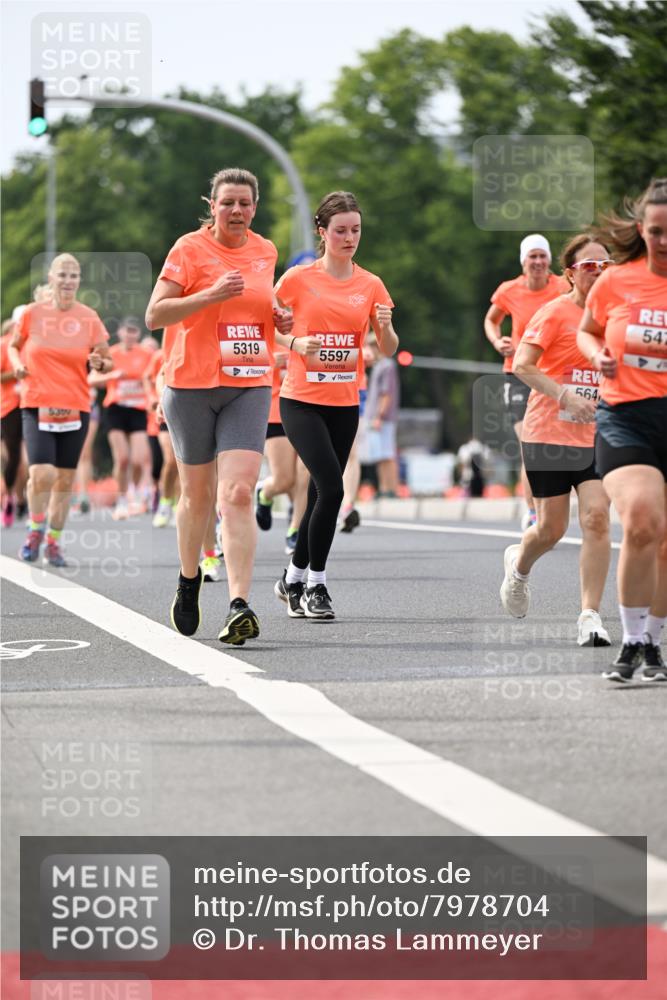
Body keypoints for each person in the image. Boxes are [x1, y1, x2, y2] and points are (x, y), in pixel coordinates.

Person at [145, 167, 293, 644]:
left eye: (245, 203)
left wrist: (279, 317)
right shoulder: (188, 249)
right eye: (227, 202)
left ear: (255, 207)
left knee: (237, 494)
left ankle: (239, 604)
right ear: (212, 205)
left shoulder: (266, 251)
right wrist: (208, 294)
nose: (236, 211)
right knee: (198, 497)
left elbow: (259, 309)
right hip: (189, 385)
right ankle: (189, 582)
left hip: (248, 382)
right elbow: (155, 315)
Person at [273, 190, 398, 620]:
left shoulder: (370, 284)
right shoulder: (296, 279)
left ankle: (290, 577)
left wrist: (383, 329)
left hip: (345, 401)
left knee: (318, 494)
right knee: (334, 488)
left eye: (356, 230)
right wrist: (294, 342)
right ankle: (315, 586)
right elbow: (262, 324)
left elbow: (388, 346)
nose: (350, 238)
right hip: (300, 400)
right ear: (322, 232)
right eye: (341, 231)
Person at [500, 234, 614, 646]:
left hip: (600, 436)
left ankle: (590, 616)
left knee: (598, 519)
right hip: (548, 433)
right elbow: (524, 365)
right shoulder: (554, 313)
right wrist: (565, 395)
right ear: (569, 274)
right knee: (550, 529)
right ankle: (519, 567)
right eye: (588, 267)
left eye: (605, 266)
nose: (598, 273)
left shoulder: (616, 316)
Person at [577, 178, 667, 682]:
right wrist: (599, 356)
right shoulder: (617, 281)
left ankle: (653, 640)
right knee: (640, 519)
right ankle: (632, 639)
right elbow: (587, 330)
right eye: (655, 232)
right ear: (641, 229)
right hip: (626, 414)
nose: (663, 242)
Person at [8, 253, 112, 566]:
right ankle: (35, 529)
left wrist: (99, 363)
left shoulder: (89, 317)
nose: (68, 281)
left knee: (65, 481)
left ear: (79, 281)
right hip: (37, 401)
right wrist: (17, 365)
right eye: (62, 275)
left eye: (73, 276)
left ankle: (53, 541)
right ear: (51, 279)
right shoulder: (32, 313)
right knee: (42, 473)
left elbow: (107, 360)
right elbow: (13, 345)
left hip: (75, 405)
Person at [485, 235, 567, 527]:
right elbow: (491, 320)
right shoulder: (509, 290)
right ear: (523, 261)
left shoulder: (563, 286)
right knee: (528, 443)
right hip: (519, 372)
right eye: (532, 256)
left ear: (549, 260)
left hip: (554, 375)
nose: (538, 262)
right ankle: (532, 512)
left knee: (554, 442)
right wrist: (498, 341)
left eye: (542, 256)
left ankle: (553, 505)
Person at [92, 317, 152, 519]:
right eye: (127, 331)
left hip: (138, 409)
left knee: (138, 459)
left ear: (139, 335)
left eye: (134, 332)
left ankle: (133, 491)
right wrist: (112, 376)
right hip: (115, 408)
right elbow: (92, 379)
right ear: (120, 333)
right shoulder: (111, 354)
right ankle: (121, 498)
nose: (130, 335)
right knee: (123, 459)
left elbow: (155, 375)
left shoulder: (146, 354)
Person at [254, 346, 309, 554]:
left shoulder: (308, 324)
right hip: (276, 410)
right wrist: (267, 361)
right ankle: (266, 492)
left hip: (307, 407)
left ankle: (295, 530)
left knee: (305, 475)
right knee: (285, 480)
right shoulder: (266, 329)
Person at [363, 337, 401, 497]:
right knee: (380, 454)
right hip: (377, 418)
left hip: (382, 418)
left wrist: (379, 415)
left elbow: (386, 394)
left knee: (387, 454)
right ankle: (384, 488)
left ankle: (391, 488)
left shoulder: (387, 365)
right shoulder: (380, 365)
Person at [1, 314, 27, 526]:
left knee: (34, 461)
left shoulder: (36, 343)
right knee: (15, 458)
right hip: (10, 407)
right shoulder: (4, 344)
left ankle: (25, 502)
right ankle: (9, 496)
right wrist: (17, 373)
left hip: (35, 403)